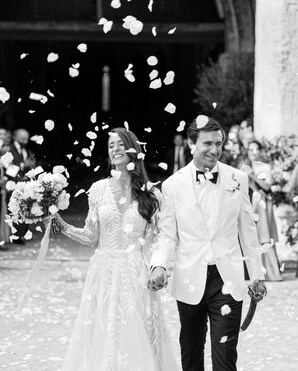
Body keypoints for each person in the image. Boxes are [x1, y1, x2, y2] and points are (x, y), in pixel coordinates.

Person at [48, 127, 179, 371]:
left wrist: (158, 267)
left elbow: (161, 237)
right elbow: (91, 236)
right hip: (104, 273)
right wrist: (64, 226)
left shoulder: (151, 194)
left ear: (133, 150)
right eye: (111, 146)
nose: (116, 149)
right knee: (103, 332)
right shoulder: (98, 189)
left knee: (136, 331)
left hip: (136, 273)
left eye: (121, 144)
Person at [148, 116, 266, 371]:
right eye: (207, 143)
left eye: (219, 143)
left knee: (225, 358)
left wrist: (256, 276)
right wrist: (158, 265)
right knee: (191, 354)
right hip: (189, 278)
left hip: (228, 278)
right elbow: (167, 234)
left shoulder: (238, 178)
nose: (214, 150)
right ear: (191, 143)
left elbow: (247, 231)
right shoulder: (172, 185)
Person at [241, 140, 283, 281]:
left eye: (256, 149)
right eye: (250, 150)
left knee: (264, 235)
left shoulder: (265, 167)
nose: (253, 152)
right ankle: (250, 272)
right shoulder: (243, 167)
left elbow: (267, 186)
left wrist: (253, 176)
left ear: (260, 151)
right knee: (249, 234)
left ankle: (270, 272)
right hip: (248, 203)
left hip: (262, 204)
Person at [6, 128, 36, 245]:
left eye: (27, 138)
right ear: (15, 137)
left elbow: (30, 163)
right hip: (12, 183)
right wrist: (23, 164)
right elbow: (8, 166)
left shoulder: (26, 150)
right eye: (23, 137)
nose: (25, 140)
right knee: (13, 210)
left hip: (25, 185)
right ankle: (15, 235)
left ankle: (22, 234)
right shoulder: (8, 149)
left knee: (25, 208)